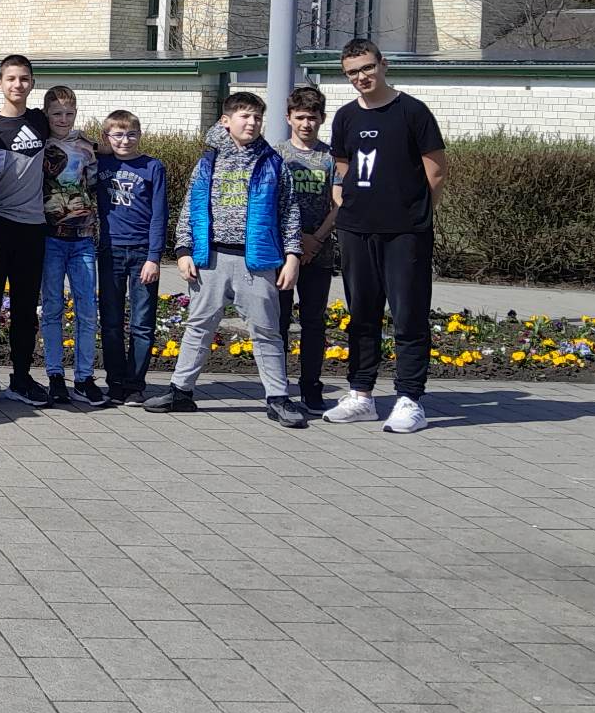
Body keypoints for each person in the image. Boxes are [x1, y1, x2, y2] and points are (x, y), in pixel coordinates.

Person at [147, 95, 308, 428]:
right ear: (226, 121)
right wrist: (183, 250)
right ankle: (180, 391)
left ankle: (278, 398)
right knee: (198, 326)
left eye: (257, 117)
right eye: (245, 116)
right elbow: (191, 207)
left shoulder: (273, 163)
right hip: (211, 259)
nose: (252, 122)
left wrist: (292, 257)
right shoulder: (208, 161)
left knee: (267, 331)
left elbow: (289, 212)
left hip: (256, 262)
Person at [324, 39, 448, 433]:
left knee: (408, 315)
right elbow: (342, 167)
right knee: (362, 314)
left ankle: (410, 399)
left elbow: (435, 171)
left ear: (383, 64)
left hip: (405, 233)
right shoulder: (345, 116)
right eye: (352, 72)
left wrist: (415, 213)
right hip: (356, 230)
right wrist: (348, 204)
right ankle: (361, 395)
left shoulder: (413, 112)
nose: (361, 77)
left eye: (366, 68)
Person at [0, 55, 51, 408]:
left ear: (32, 83)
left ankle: (21, 378)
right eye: (11, 78)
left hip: (33, 229)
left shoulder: (40, 121)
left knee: (25, 309)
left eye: (24, 79)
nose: (18, 84)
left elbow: (69, 131)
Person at [95, 110, 168, 406]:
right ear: (106, 137)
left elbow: (159, 215)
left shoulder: (152, 167)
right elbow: (75, 142)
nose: (125, 141)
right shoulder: (100, 163)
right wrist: (99, 147)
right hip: (110, 250)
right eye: (117, 135)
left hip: (142, 253)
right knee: (111, 322)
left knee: (142, 323)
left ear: (140, 135)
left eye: (131, 134)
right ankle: (115, 382)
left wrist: (154, 257)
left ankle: (135, 384)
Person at [38, 86, 103, 406]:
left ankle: (84, 377)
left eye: (69, 113)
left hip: (82, 239)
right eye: (57, 114)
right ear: (46, 114)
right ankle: (54, 375)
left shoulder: (86, 147)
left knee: (87, 310)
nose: (63, 119)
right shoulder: (39, 145)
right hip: (50, 238)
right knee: (52, 308)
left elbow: (93, 187)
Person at [280, 87, 339, 412]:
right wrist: (296, 239)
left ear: (322, 119)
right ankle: (277, 387)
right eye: (300, 117)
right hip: (282, 254)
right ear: (289, 117)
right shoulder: (277, 155)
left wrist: (315, 239)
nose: (306, 124)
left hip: (319, 253)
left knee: (314, 322)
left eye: (312, 118)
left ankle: (311, 387)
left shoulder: (331, 157)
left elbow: (339, 204)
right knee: (278, 322)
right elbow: (269, 203)